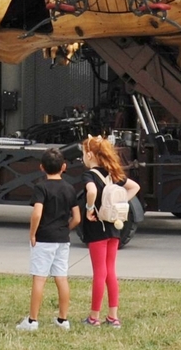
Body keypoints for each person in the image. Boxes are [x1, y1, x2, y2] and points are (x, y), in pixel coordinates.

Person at [79, 135, 140, 328]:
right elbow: (134, 187)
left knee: (99, 271)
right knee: (110, 270)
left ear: (89, 155)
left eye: (83, 154)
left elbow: (91, 192)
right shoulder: (113, 173)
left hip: (97, 226)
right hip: (114, 225)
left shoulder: (89, 175)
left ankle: (94, 317)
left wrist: (90, 209)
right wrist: (120, 203)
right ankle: (113, 316)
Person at [17, 148, 78, 331]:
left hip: (44, 238)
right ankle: (63, 320)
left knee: (39, 278)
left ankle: (33, 320)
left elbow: (37, 212)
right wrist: (64, 228)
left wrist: (33, 233)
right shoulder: (69, 188)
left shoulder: (41, 187)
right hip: (62, 238)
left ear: (41, 167)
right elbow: (77, 217)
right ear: (64, 167)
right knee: (61, 277)